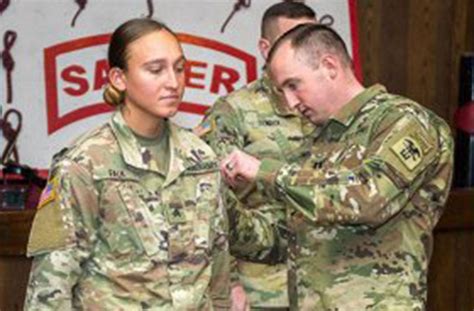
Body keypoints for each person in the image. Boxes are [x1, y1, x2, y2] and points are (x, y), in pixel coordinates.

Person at [220, 23, 454, 310]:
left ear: (329, 66)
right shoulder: (313, 144)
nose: (291, 102)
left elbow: (368, 198)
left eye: (294, 85)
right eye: (282, 91)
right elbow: (285, 237)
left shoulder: (404, 122)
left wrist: (264, 172)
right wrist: (220, 210)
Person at [24, 18, 232, 310]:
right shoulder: (85, 164)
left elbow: (219, 270)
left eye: (180, 68)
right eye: (155, 70)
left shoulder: (201, 159)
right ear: (119, 78)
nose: (173, 82)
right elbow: (49, 289)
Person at [195, 2, 317, 310]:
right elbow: (211, 200)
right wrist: (229, 283)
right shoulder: (234, 111)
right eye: (294, 39)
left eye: (313, 38)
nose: (305, 50)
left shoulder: (330, 108)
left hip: (326, 286)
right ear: (265, 48)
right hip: (263, 288)